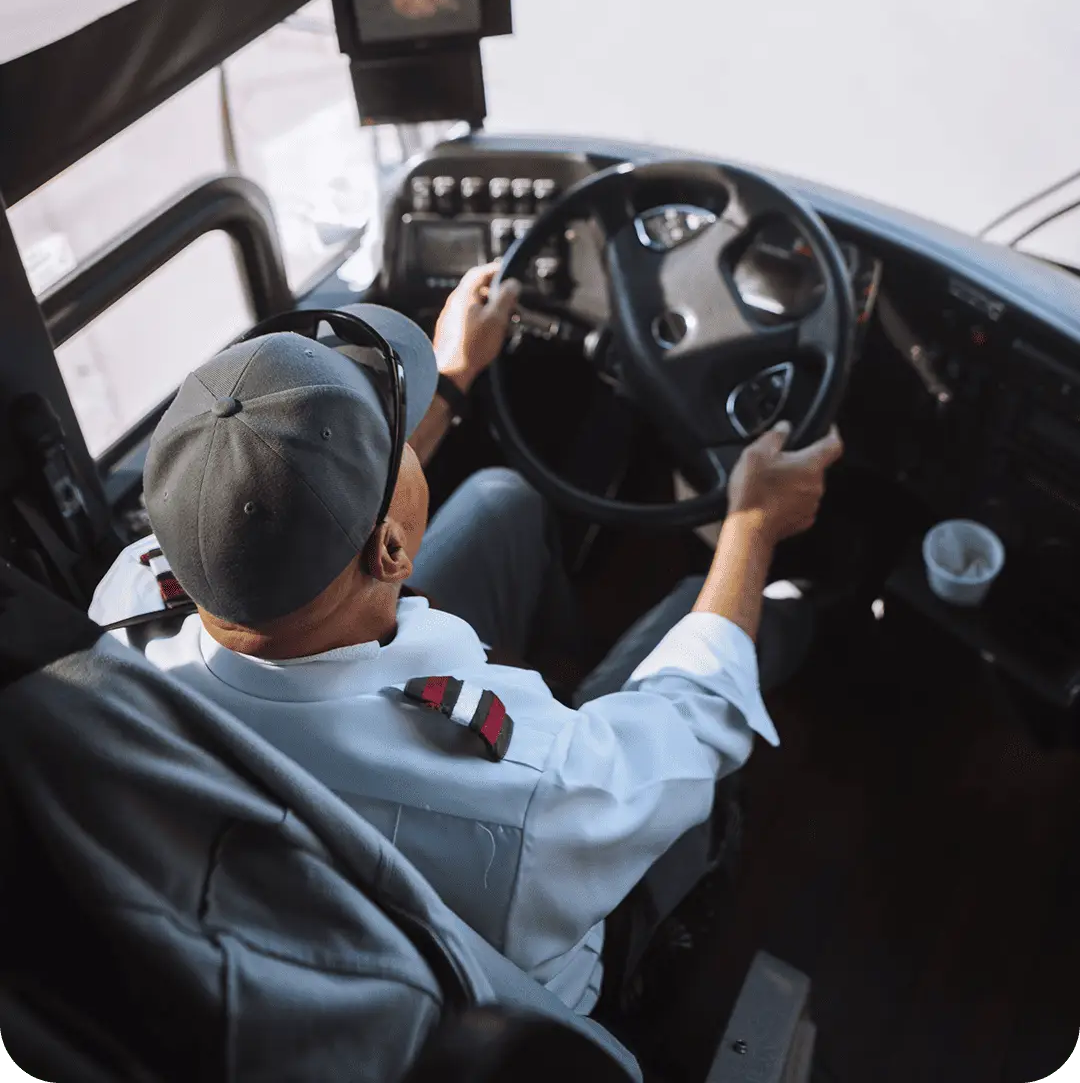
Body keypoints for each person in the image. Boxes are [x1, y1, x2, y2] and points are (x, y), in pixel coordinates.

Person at [89, 262, 843, 1016]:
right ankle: (811, 604)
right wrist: (753, 526)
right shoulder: (530, 796)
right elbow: (694, 718)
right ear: (390, 552)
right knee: (712, 605)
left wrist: (452, 377)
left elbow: (303, 496)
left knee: (498, 500)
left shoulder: (132, 594)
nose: (408, 438)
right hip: (540, 986)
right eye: (396, 441)